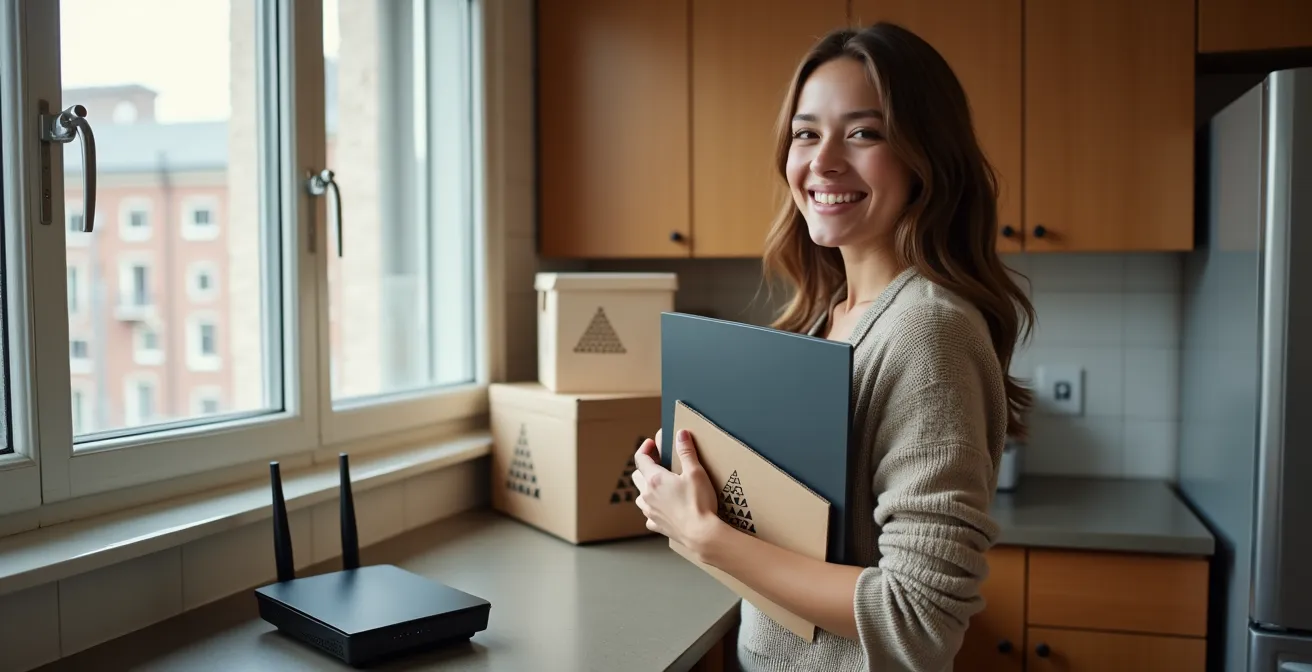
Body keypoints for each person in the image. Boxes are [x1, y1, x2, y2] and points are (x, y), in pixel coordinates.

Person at [628, 21, 1035, 672]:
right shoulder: (830, 316)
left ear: (926, 156)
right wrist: (702, 490)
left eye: (864, 133)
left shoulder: (928, 331)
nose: (823, 161)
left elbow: (917, 618)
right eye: (806, 133)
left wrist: (707, 537)